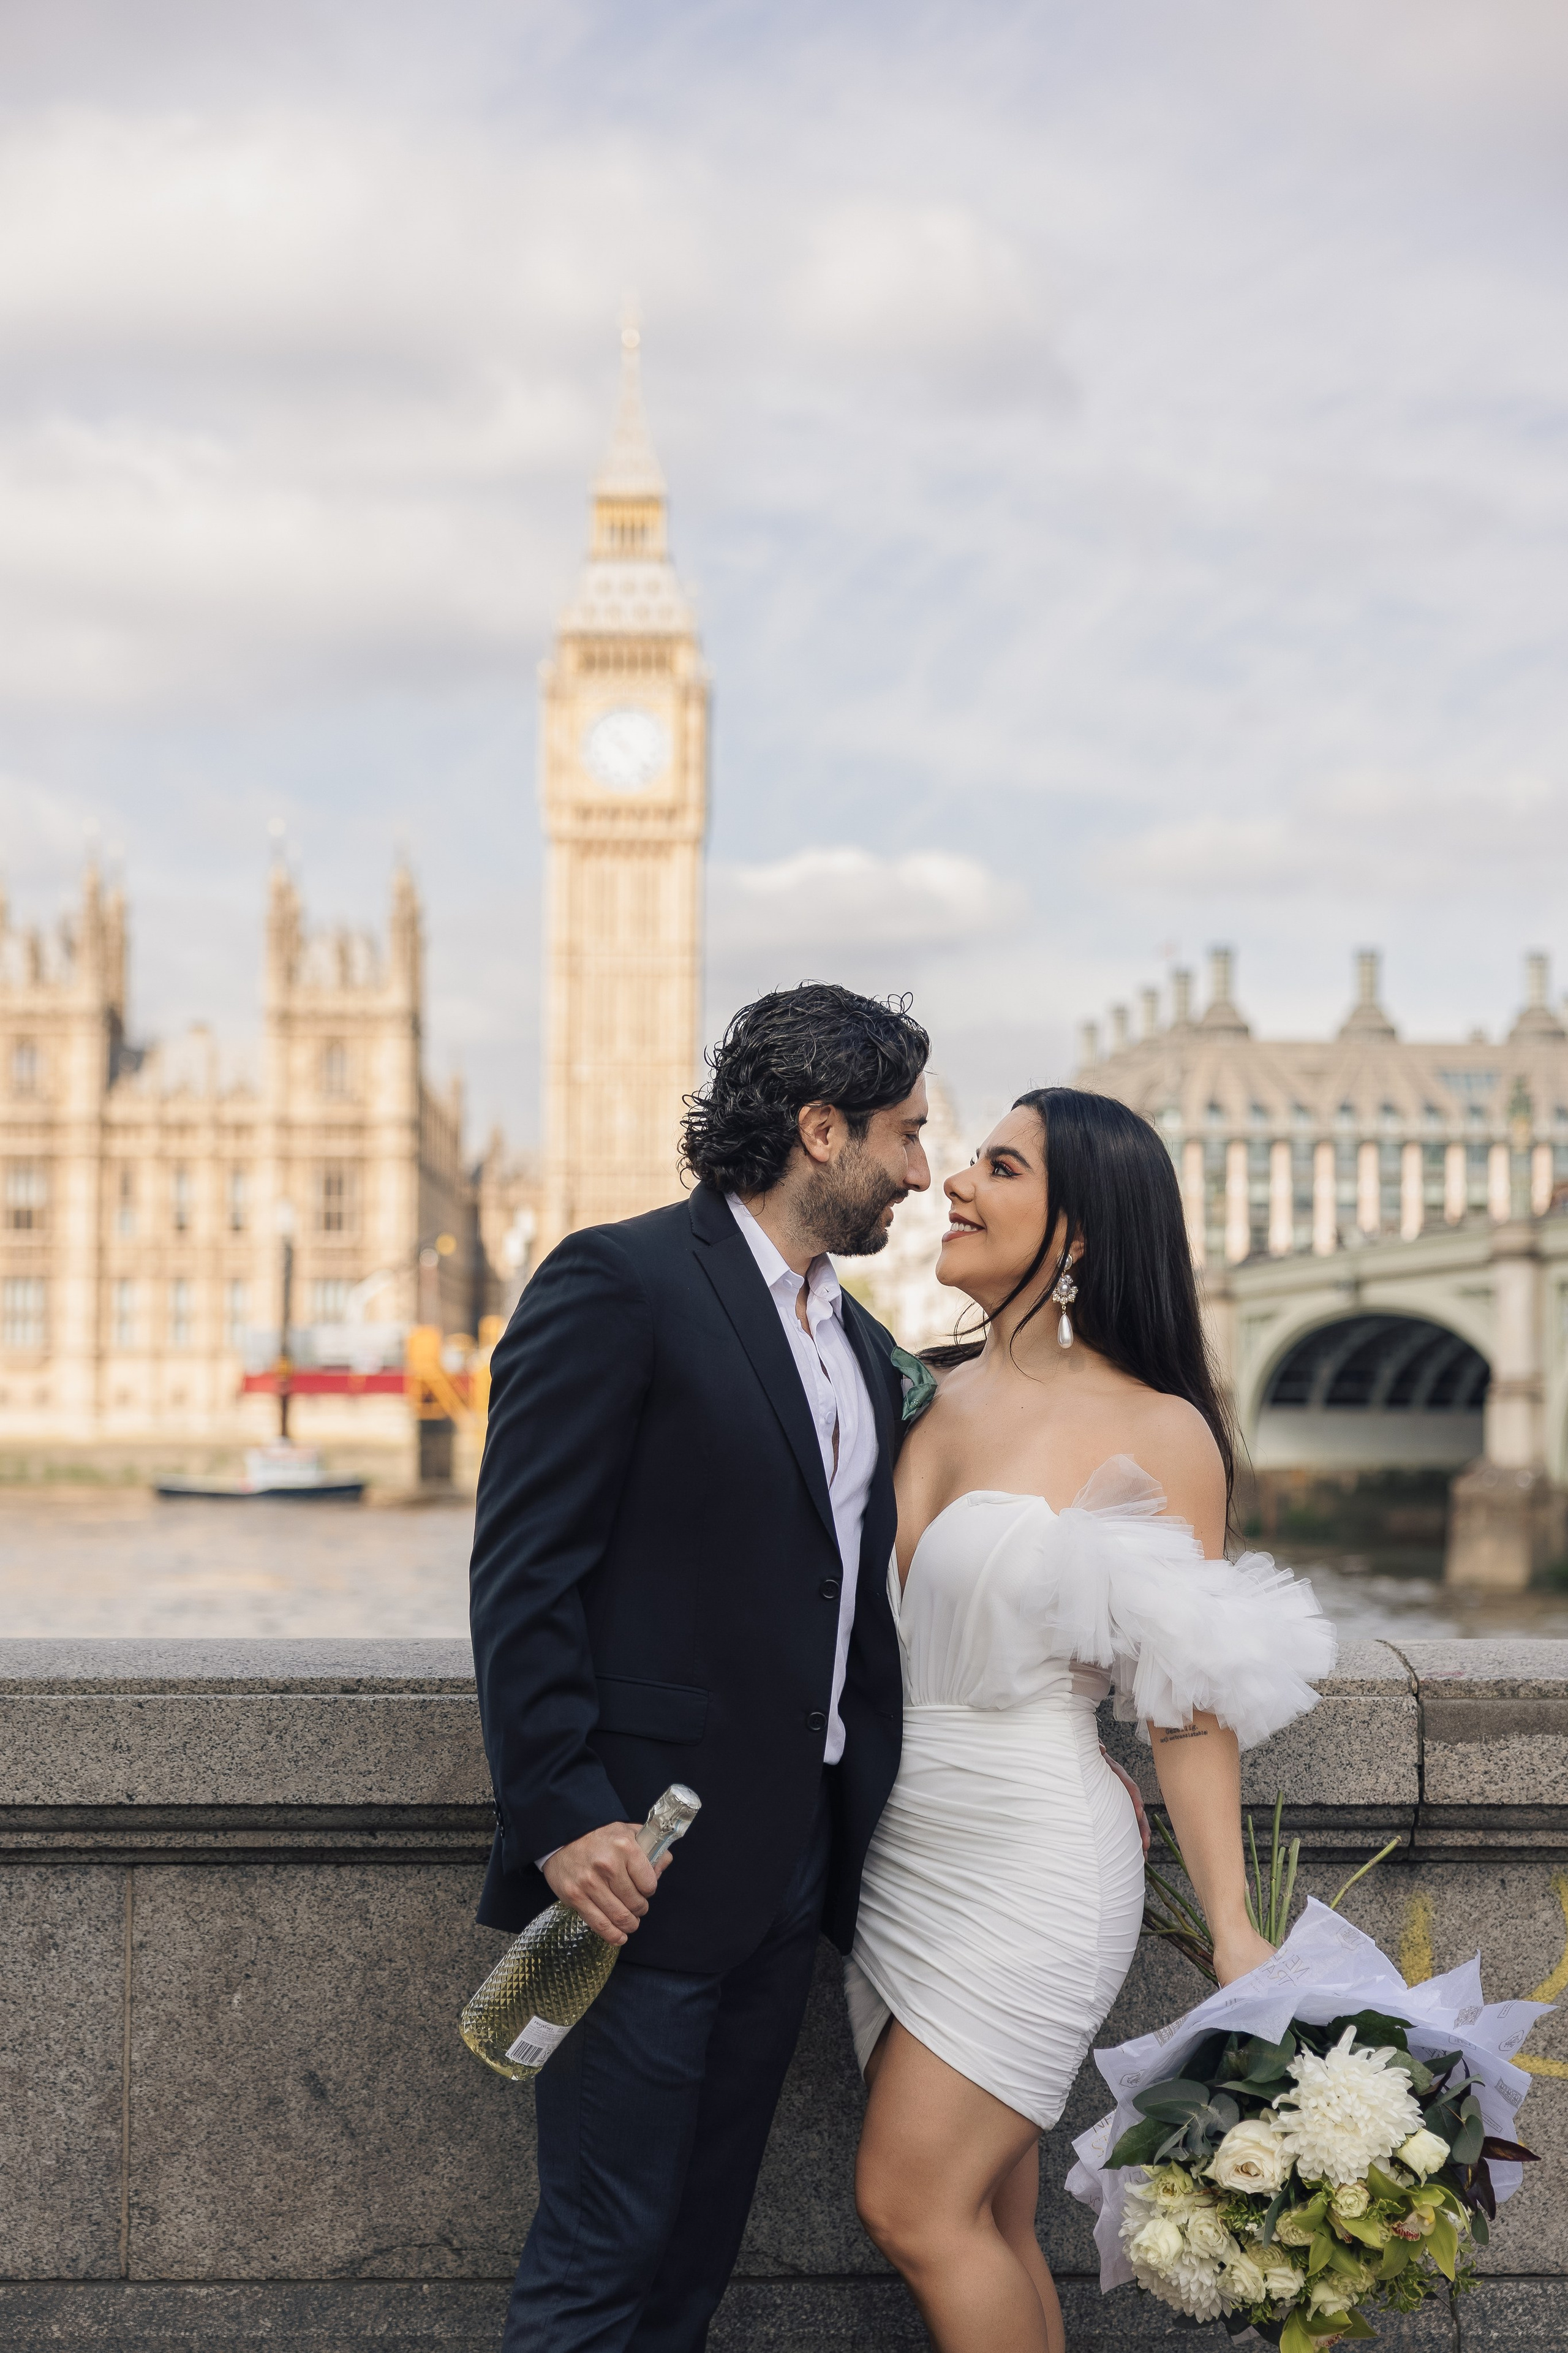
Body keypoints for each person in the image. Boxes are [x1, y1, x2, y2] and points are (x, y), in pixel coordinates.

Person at [469, 981, 933, 2353]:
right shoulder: (618, 1280)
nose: (920, 1167)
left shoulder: (857, 1343)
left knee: (696, 2252)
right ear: (818, 1128)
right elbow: (523, 1573)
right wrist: (563, 1812)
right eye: (904, 1134)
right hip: (635, 1866)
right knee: (600, 2251)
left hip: (788, 1874)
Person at [848, 1086, 1336, 2353]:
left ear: (1074, 1236)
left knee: (910, 2207)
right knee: (987, 2217)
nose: (954, 1181)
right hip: (895, 1855)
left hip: (1032, 1852)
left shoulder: (1154, 1429)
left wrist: (1234, 1928)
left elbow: (1184, 1707)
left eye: (997, 1167)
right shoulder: (911, 1390)